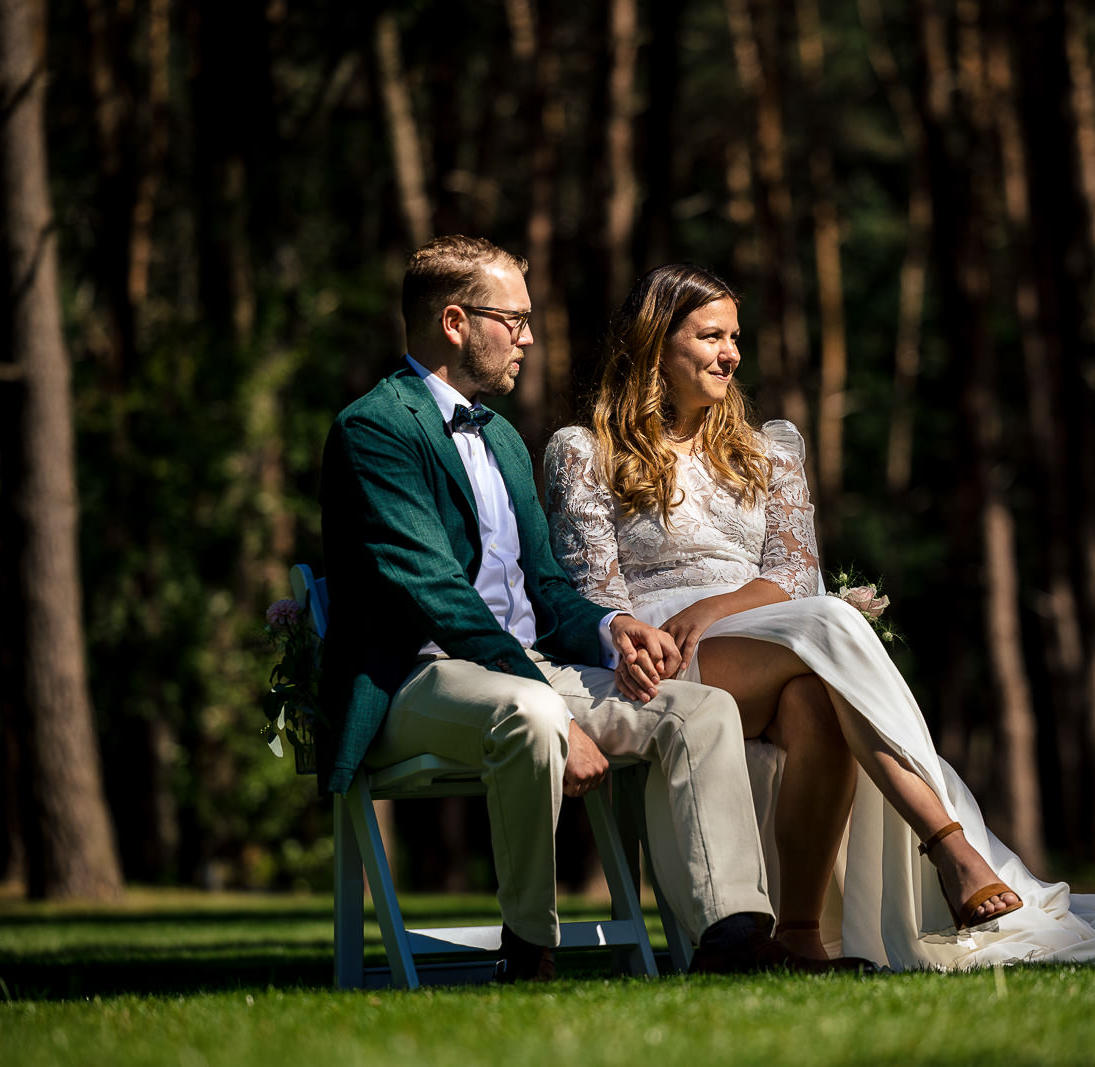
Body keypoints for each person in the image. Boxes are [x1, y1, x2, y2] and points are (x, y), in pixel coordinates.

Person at [543, 263, 1095, 970]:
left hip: (768, 632)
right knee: (828, 627)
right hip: (665, 655)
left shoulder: (769, 451)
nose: (730, 351)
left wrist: (717, 606)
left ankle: (797, 932)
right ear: (656, 344)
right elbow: (592, 593)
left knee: (818, 692)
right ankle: (950, 844)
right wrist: (667, 628)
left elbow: (791, 574)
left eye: (735, 336)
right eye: (710, 336)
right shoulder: (585, 451)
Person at [318, 237, 873, 981]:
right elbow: (440, 599)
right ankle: (529, 948)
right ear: (455, 322)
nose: (529, 337)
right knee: (534, 713)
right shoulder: (375, 428)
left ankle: (734, 936)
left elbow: (546, 587)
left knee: (698, 710)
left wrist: (615, 629)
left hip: (526, 669)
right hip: (418, 680)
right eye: (511, 319)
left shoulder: (505, 440)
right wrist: (559, 704)